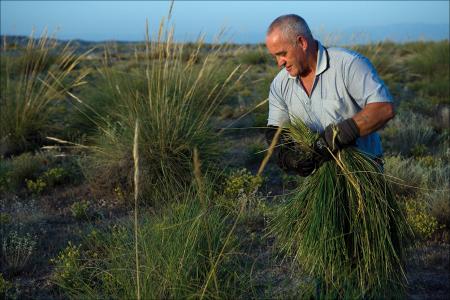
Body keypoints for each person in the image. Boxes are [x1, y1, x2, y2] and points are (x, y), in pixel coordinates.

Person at [264, 14, 394, 176]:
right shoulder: (280, 83)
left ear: (302, 43)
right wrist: (289, 157)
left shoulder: (349, 65)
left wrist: (335, 136)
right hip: (317, 183)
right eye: (275, 56)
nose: (279, 62)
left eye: (282, 53)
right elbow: (275, 132)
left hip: (363, 174)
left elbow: (383, 109)